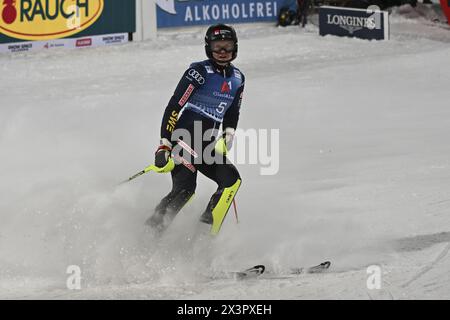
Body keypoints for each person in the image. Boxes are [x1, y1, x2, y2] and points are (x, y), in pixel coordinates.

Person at [146, 24, 245, 236]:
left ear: (234, 48)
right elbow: (175, 106)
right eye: (217, 47)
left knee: (231, 181)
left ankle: (202, 241)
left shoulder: (238, 78)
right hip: (184, 138)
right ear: (208, 48)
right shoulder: (199, 72)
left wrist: (228, 134)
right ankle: (149, 234)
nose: (222, 52)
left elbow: (232, 112)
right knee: (185, 190)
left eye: (227, 47)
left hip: (206, 144)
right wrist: (164, 144)